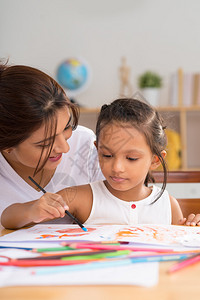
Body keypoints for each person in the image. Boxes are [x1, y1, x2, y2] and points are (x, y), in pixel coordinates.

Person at [2, 98, 200, 229]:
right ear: (97, 149)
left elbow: (176, 246)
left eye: (131, 158)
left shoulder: (167, 204)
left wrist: (190, 229)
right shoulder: (79, 197)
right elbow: (8, 219)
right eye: (106, 155)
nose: (116, 167)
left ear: (155, 160)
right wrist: (32, 210)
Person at [0, 62, 104, 225]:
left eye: (67, 127)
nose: (65, 147)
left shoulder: (85, 143)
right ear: (7, 147)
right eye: (45, 143)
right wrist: (29, 212)